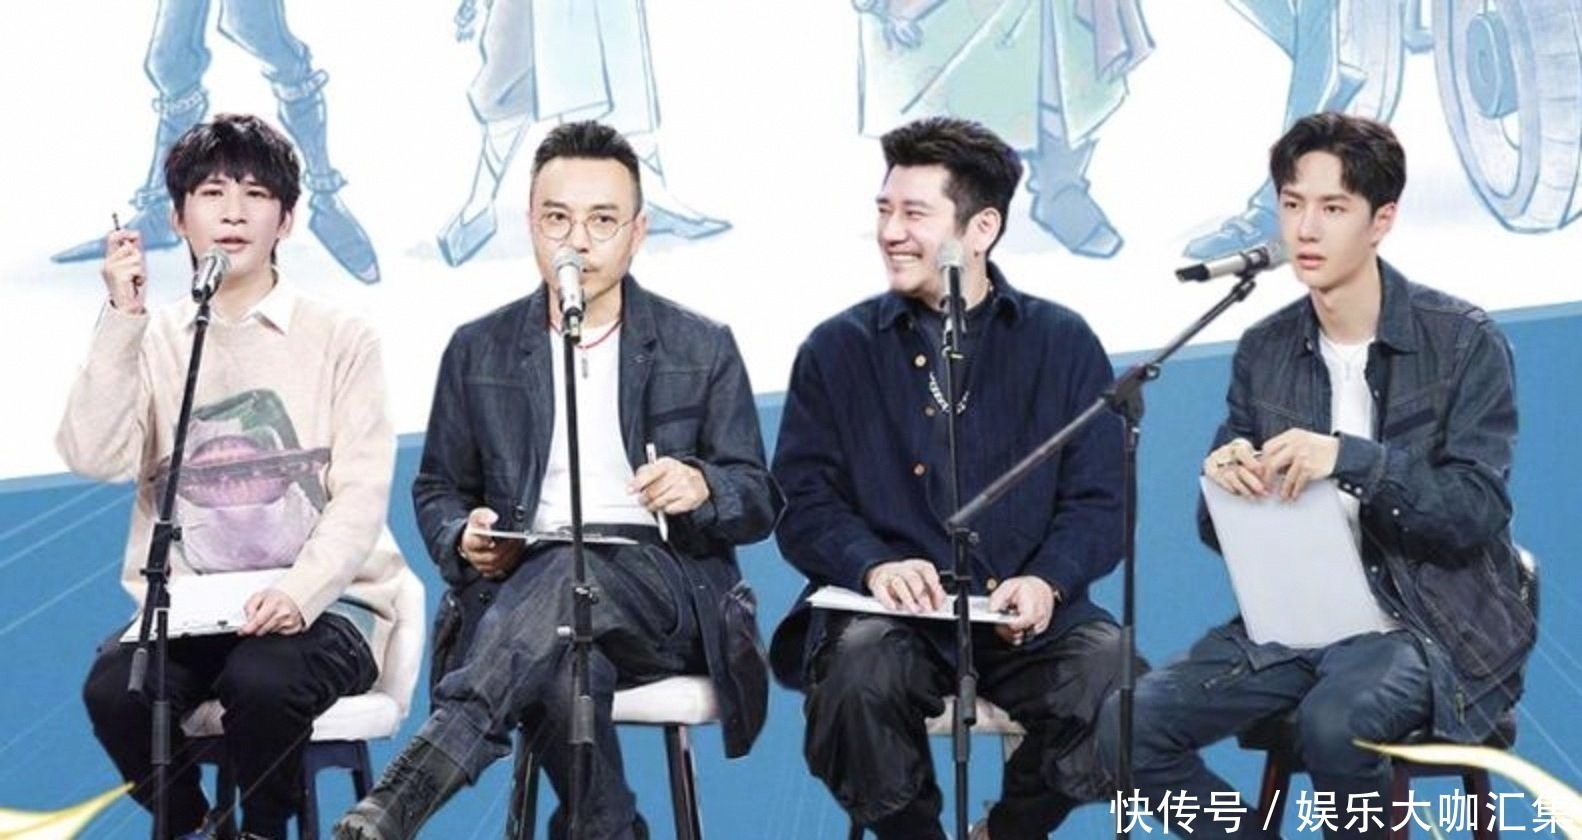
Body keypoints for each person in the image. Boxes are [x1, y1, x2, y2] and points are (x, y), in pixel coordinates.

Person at [335, 120, 781, 840]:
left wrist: (702, 485)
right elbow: (438, 488)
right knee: (567, 663)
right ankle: (610, 827)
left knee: (567, 581)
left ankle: (398, 803)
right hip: (524, 592)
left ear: (637, 232)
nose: (578, 242)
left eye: (602, 221)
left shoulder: (701, 345)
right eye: (557, 219)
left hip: (662, 588)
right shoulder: (478, 348)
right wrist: (464, 535)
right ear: (531, 227)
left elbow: (757, 497)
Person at [1097, 112, 1536, 840]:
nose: (1305, 228)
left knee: (1335, 722)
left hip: (1427, 627)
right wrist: (1226, 482)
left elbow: (1474, 511)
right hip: (1297, 624)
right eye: (1292, 203)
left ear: (1380, 220)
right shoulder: (1265, 349)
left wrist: (1350, 458)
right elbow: (1218, 532)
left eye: (1333, 208)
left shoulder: (1463, 340)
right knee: (1126, 725)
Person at [769, 116, 1129, 840]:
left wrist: (1049, 581)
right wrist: (873, 565)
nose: (890, 232)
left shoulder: (1062, 343)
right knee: (859, 675)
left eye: (914, 214)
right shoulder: (837, 349)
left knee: (1117, 682)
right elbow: (801, 503)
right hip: (887, 618)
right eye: (884, 211)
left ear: (982, 228)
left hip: (1023, 621)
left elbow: (1100, 503)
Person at [62, 113, 406, 840]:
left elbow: (360, 494)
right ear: (178, 217)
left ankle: (264, 832)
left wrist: (299, 592)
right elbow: (94, 455)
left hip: (322, 611)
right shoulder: (153, 338)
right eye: (213, 194)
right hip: (190, 614)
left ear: (287, 218)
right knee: (115, 690)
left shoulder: (341, 338)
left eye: (256, 194)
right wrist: (122, 317)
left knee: (263, 679)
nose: (234, 213)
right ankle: (201, 825)